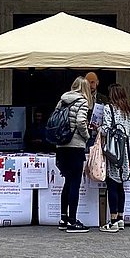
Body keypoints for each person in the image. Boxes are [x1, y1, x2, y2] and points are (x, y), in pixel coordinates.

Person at [55, 76, 91, 233]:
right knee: (75, 183)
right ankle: (72, 221)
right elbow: (81, 122)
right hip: (75, 146)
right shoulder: (82, 102)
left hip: (61, 146)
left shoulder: (62, 100)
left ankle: (63, 218)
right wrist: (87, 136)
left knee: (67, 182)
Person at [98, 83, 130, 233]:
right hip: (124, 150)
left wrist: (97, 128)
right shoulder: (128, 110)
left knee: (112, 184)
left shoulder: (109, 108)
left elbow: (106, 129)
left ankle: (112, 221)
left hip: (113, 149)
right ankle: (120, 218)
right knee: (121, 186)